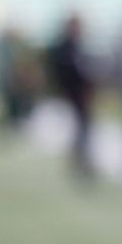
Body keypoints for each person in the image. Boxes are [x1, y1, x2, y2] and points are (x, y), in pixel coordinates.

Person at [47, 13, 95, 182]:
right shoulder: (63, 48)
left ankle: (82, 161)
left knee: (83, 130)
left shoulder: (80, 46)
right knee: (74, 130)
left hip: (81, 96)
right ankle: (78, 162)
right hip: (70, 94)